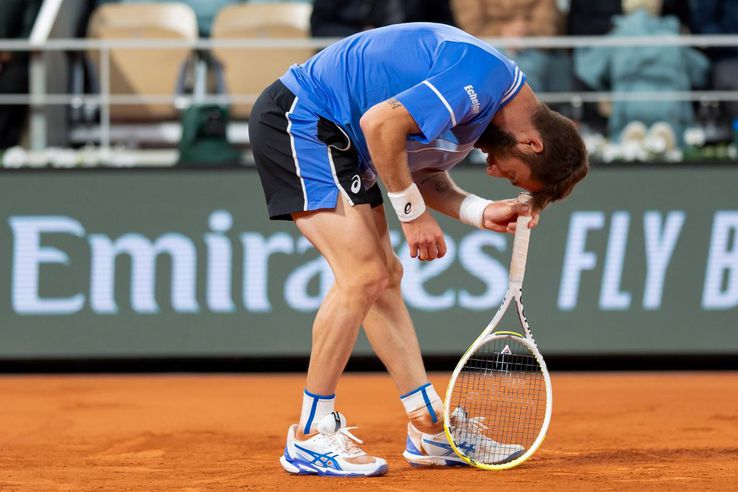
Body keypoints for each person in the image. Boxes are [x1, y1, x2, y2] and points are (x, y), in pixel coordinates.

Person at [248, 22, 588, 477]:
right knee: (364, 276)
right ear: (532, 142)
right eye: (511, 174)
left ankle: (430, 428)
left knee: (383, 278)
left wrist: (480, 213)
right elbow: (380, 124)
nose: (493, 173)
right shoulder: (481, 78)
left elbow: (421, 175)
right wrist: (411, 216)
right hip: (303, 119)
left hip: (343, 141)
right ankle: (310, 434)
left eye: (505, 179)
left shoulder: (483, 111)